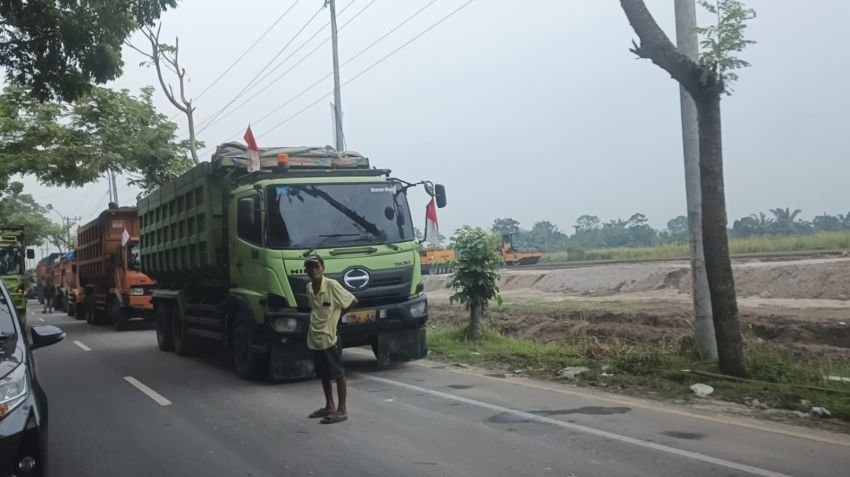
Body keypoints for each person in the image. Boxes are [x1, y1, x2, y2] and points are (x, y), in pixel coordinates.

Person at [304, 255, 357, 425]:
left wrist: (338, 315)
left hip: (329, 336)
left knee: (337, 373)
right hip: (314, 336)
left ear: (323, 268)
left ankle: (342, 409)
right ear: (306, 271)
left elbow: (352, 301)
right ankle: (329, 405)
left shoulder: (332, 285)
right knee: (323, 374)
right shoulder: (309, 288)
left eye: (316, 266)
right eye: (310, 267)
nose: (314, 270)